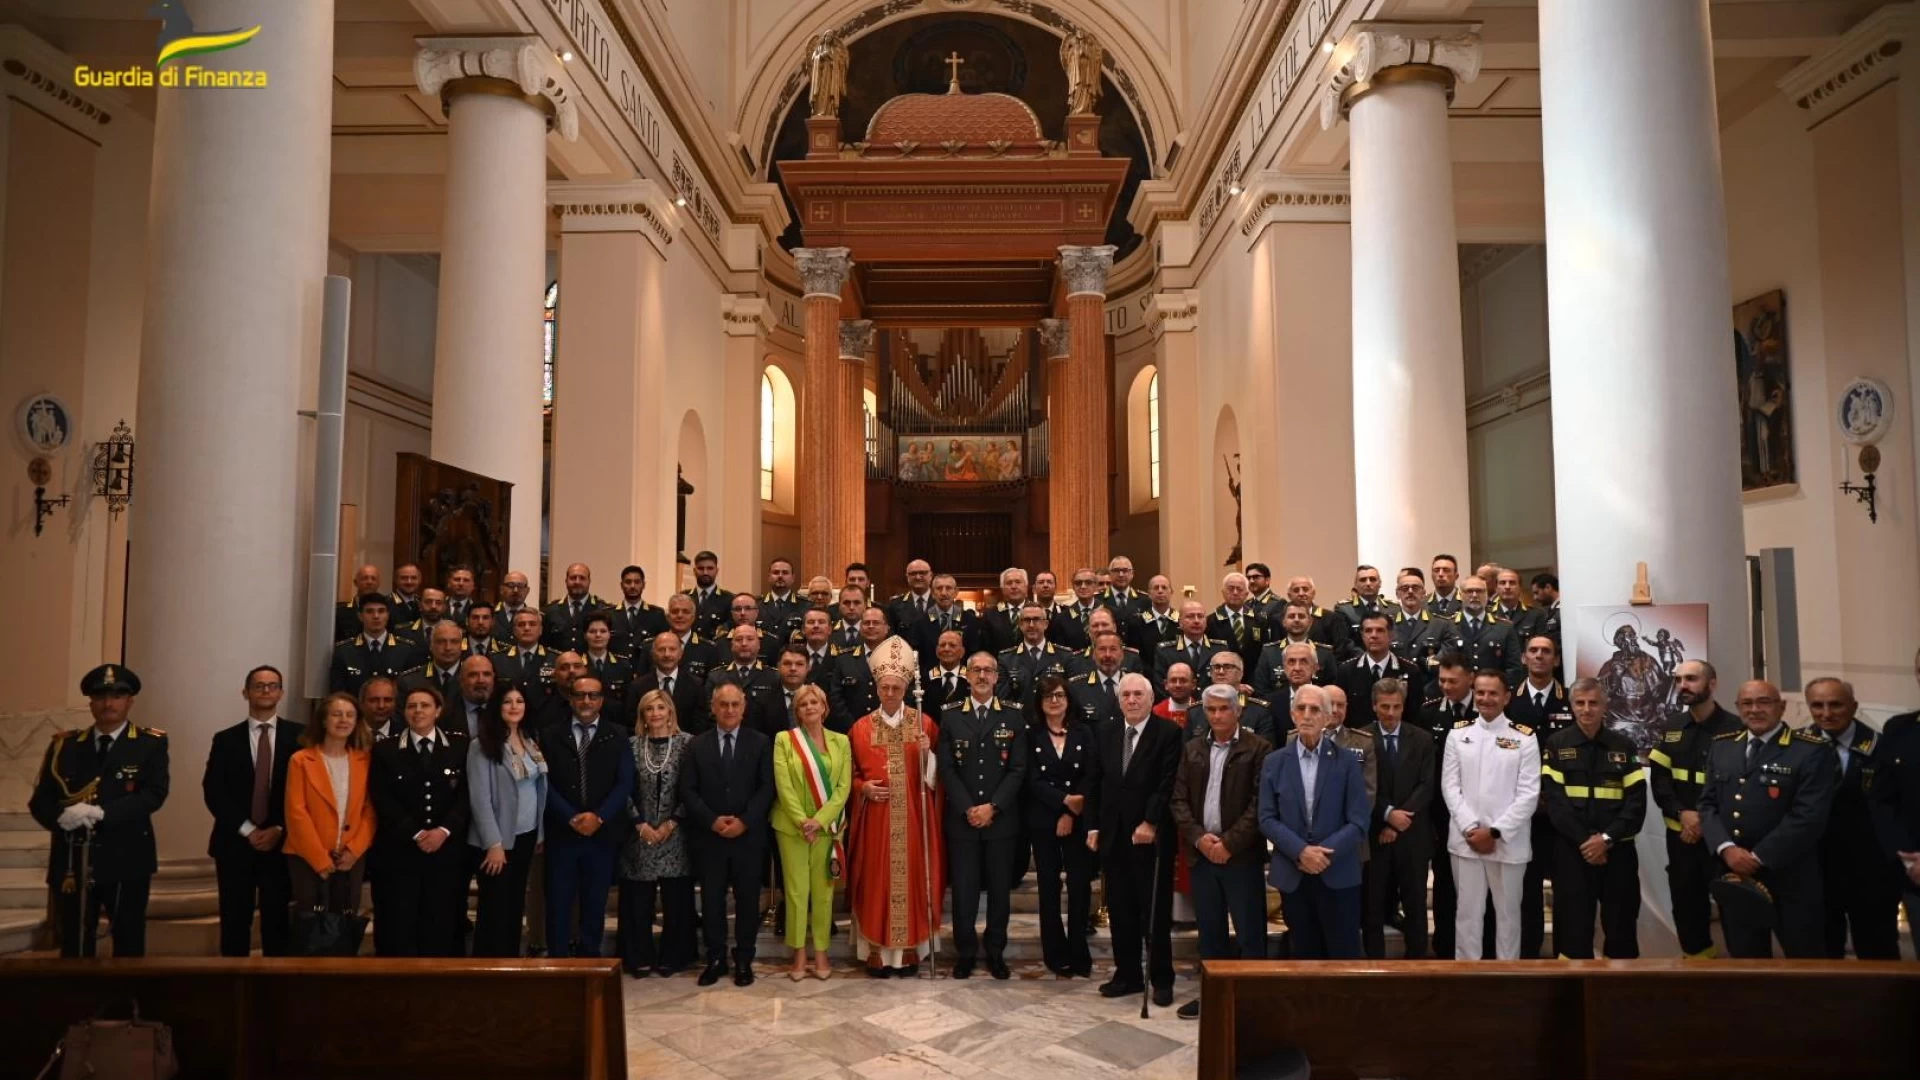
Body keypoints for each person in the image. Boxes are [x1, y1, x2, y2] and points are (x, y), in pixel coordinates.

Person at [31, 664, 169, 958]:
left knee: (129, 942)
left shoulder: (149, 744)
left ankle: (127, 1002)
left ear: (130, 701)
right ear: (91, 703)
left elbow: (153, 795)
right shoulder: (65, 746)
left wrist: (103, 813)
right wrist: (60, 818)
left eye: (118, 696)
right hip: (73, 860)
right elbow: (40, 801)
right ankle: (78, 1003)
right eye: (101, 697)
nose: (109, 704)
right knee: (75, 944)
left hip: (126, 858)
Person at [1699, 679, 1839, 958]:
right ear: (1738, 708)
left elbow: (1809, 816)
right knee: (1746, 961)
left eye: (1764, 702)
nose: (1755, 710)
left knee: (1805, 964)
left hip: (1791, 878)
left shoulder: (1811, 750)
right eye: (1747, 704)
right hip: (1735, 874)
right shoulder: (1723, 747)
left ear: (1782, 706)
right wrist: (1727, 850)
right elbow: (1708, 805)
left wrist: (1757, 857)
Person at [846, 635, 946, 977]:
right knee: (878, 884)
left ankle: (907, 955)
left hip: (913, 822)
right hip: (875, 820)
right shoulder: (859, 729)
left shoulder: (924, 724)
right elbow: (852, 776)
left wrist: (926, 755)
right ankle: (877, 954)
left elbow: (934, 779)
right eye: (885, 687)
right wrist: (863, 788)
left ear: (906, 689)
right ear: (877, 688)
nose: (890, 693)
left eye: (897, 688)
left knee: (911, 883)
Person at [1172, 685, 1273, 1017]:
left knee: (1250, 933)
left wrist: (1229, 843)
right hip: (1202, 856)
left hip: (1240, 857)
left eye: (1223, 709)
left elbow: (1260, 805)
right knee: (1211, 934)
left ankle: (1252, 1000)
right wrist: (1201, 839)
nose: (1216, 716)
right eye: (1210, 710)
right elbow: (1179, 801)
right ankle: (1213, 996)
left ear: (1238, 711)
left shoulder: (1259, 748)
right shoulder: (1192, 749)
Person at [1089, 672, 1181, 1006]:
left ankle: (1161, 978)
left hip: (1149, 837)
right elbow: (1096, 780)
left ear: (1149, 698)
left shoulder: (1168, 733)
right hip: (1114, 837)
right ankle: (1126, 974)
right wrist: (1094, 827)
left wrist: (1151, 822)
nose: (1131, 700)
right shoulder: (1107, 732)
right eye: (1125, 695)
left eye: (1137, 695)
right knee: (1121, 909)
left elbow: (1167, 783)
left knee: (1153, 912)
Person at [1538, 678, 1645, 959]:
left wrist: (1606, 839)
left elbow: (1636, 805)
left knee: (1621, 930)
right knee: (1573, 931)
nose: (1587, 709)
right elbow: (1556, 804)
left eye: (1593, 703)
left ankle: (1619, 997)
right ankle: (1572, 997)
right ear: (1572, 706)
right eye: (1580, 703)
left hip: (1617, 853)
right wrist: (1587, 842)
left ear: (1605, 706)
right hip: (1573, 854)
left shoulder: (1624, 746)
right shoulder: (1556, 744)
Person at [1258, 684, 1367, 959]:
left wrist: (1322, 854)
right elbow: (1267, 818)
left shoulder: (1347, 761)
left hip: (1337, 871)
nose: (1307, 715)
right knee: (1303, 953)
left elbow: (1358, 821)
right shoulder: (1274, 762)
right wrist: (1302, 852)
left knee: (1343, 953)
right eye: (1301, 709)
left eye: (1315, 709)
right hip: (1294, 874)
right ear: (1293, 715)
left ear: (1328, 718)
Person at [938, 651, 1028, 980]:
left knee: (999, 892)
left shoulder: (1014, 717)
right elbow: (947, 769)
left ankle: (995, 953)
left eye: (988, 670)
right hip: (962, 821)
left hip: (1001, 821)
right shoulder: (949, 716)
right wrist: (968, 808)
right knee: (964, 891)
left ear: (996, 677)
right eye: (975, 670)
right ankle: (965, 954)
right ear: (966, 675)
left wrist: (993, 807)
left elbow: (1018, 769)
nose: (981, 675)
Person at [1440, 669, 1540, 961]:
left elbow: (1528, 794)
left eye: (1493, 693)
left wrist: (1494, 832)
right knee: (1467, 916)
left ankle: (1509, 983)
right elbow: (1450, 786)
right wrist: (1472, 828)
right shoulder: (1459, 734)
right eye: (1480, 692)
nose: (1486, 699)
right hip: (1466, 841)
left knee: (1508, 918)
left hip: (1508, 843)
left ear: (1506, 697)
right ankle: (1466, 983)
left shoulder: (1524, 738)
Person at [681, 682, 775, 986]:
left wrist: (744, 821)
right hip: (710, 838)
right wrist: (712, 821)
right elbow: (688, 790)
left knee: (748, 901)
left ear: (744, 706)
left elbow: (767, 788)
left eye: (735, 704)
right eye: (723, 704)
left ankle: (744, 958)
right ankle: (716, 957)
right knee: (711, 902)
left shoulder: (761, 743)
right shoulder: (696, 745)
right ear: (713, 707)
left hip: (748, 837)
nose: (730, 710)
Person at [204, 665, 302, 957]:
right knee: (235, 922)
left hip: (281, 843)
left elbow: (304, 794)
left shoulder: (300, 737)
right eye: (259, 685)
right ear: (245, 692)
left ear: (281, 693)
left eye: (272, 685)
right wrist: (248, 830)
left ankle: (275, 992)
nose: (266, 691)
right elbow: (214, 792)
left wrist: (279, 828)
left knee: (277, 924)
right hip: (235, 843)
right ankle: (233, 992)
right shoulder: (225, 739)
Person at [1647, 659, 1742, 958]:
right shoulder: (1671, 727)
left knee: (1734, 906)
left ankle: (1743, 968)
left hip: (1723, 839)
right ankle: (1698, 960)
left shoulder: (1736, 729)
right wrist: (1681, 813)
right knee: (1687, 905)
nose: (1683, 686)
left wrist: (1705, 821)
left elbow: (1740, 786)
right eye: (1678, 680)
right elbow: (1660, 779)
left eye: (1691, 679)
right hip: (1682, 836)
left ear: (1712, 684)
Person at [1804, 678, 1901, 959]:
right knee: (1821, 949)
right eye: (1817, 705)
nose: (1826, 713)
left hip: (1871, 869)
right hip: (1815, 867)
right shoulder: (1794, 746)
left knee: (1877, 948)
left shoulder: (1883, 749)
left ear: (1854, 706)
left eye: (1836, 704)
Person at [368, 686, 470, 957]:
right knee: (399, 920)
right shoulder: (385, 750)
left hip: (446, 849)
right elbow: (382, 797)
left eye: (425, 705)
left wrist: (443, 830)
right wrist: (415, 833)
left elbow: (466, 795)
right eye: (412, 706)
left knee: (442, 919)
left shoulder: (459, 746)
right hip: (401, 850)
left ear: (438, 711)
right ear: (404, 712)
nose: (418, 711)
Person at [542, 674, 634, 958]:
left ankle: (589, 958)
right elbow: (544, 783)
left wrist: (599, 817)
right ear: (570, 699)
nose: (586, 701)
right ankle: (558, 959)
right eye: (580, 695)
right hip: (562, 832)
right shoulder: (549, 735)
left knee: (595, 902)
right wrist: (571, 817)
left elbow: (624, 783)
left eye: (593, 695)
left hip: (602, 834)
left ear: (601, 700)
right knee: (559, 901)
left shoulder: (618, 734)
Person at [772, 684, 851, 981]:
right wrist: (802, 821)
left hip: (827, 829)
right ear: (797, 710)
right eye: (803, 704)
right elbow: (783, 784)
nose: (809, 707)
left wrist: (818, 821)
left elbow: (843, 788)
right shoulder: (784, 740)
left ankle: (821, 952)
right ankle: (799, 954)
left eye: (814, 702)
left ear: (824, 706)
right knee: (795, 892)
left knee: (823, 893)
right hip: (791, 828)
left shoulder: (841, 741)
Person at [1024, 673, 1099, 977]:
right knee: (1049, 887)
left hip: (1078, 820)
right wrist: (1063, 803)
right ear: (1039, 703)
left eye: (1060, 695)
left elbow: (1092, 773)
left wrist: (1071, 813)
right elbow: (1031, 779)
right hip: (1043, 821)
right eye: (1048, 696)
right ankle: (1054, 952)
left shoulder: (1084, 732)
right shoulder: (1030, 735)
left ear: (1069, 700)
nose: (1054, 701)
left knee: (1080, 886)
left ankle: (1079, 950)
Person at [619, 689, 697, 977]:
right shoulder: (630, 746)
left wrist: (672, 822)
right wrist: (639, 824)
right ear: (642, 715)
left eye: (660, 708)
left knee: (677, 901)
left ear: (670, 712)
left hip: (675, 832)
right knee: (638, 900)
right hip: (639, 833)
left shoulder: (688, 744)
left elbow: (692, 788)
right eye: (649, 709)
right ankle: (638, 955)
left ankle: (674, 955)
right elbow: (622, 787)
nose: (655, 714)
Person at [467, 682, 547, 958]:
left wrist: (539, 835)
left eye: (519, 701)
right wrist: (494, 843)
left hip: (526, 835)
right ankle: (488, 965)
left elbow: (537, 789)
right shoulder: (482, 745)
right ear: (496, 707)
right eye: (507, 702)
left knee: (514, 904)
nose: (514, 707)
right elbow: (480, 799)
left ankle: (510, 961)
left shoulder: (529, 739)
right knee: (494, 906)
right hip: (497, 840)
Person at [283, 693, 376, 930]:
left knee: (343, 925)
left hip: (350, 857)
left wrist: (354, 851)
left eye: (349, 715)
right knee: (311, 928)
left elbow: (370, 810)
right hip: (307, 857)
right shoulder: (301, 760)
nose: (343, 720)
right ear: (323, 720)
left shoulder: (365, 761)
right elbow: (296, 813)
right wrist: (319, 859)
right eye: (336, 714)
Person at [1362, 678, 1435, 959]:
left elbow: (1427, 785)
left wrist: (1400, 818)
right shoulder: (1363, 739)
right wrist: (1388, 816)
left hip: (1413, 835)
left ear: (1404, 707)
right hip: (1375, 834)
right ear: (1374, 706)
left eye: (1396, 707)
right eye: (1384, 707)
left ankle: (1417, 964)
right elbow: (1363, 787)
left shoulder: (1422, 739)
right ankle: (1374, 965)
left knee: (1415, 904)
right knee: (1373, 905)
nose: (1390, 713)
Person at [360, 676, 403, 741]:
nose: (381, 706)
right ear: (361, 703)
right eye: (374, 700)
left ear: (395, 703)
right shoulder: (349, 732)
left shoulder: (405, 735)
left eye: (387, 700)